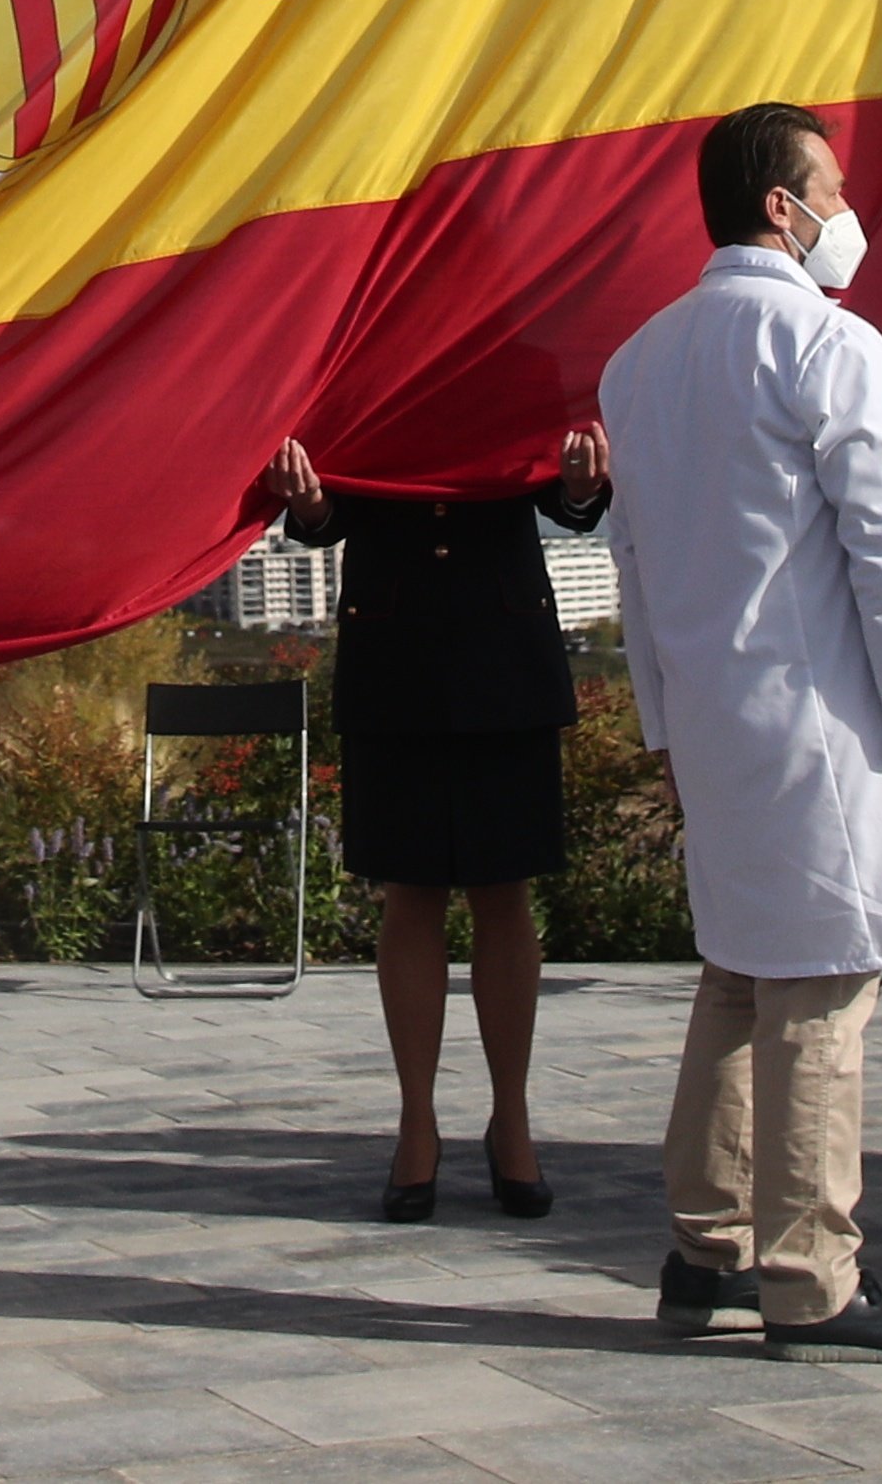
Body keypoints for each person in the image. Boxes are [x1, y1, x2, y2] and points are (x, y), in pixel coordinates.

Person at [599, 106, 882, 1366]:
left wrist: (662, 718)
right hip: (819, 723)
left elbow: (633, 564)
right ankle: (811, 1277)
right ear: (781, 206)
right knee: (817, 990)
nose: (843, 209)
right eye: (831, 187)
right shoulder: (826, 342)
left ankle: (703, 1252)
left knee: (742, 974)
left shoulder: (638, 360)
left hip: (712, 717)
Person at [264, 417, 609, 1221]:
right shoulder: (370, 347)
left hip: (505, 651)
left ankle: (511, 1122)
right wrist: (312, 503)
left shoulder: (522, 348)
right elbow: (326, 509)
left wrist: (581, 486)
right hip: (394, 654)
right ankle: (415, 1123)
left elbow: (568, 484)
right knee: (410, 891)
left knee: (503, 890)